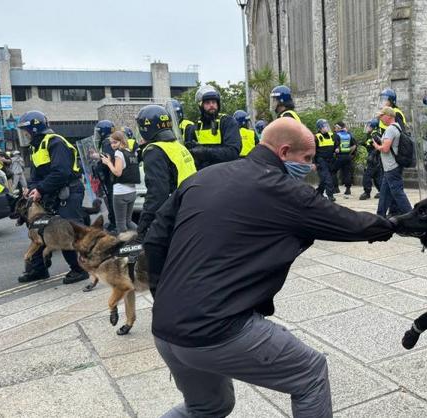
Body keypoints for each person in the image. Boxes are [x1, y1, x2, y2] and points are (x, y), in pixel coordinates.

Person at [143, 117, 394, 418]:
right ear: (284, 152)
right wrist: (398, 224)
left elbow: (155, 242)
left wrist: (167, 299)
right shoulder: (282, 189)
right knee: (310, 374)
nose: (311, 167)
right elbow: (350, 223)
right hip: (214, 329)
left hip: (166, 328)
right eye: (308, 159)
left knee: (208, 406)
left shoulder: (203, 177)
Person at [16, 111, 90, 285]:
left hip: (68, 191)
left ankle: (80, 269)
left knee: (66, 231)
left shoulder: (56, 143)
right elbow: (35, 174)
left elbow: (61, 172)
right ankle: (38, 270)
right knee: (39, 229)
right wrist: (32, 188)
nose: (24, 135)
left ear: (35, 129)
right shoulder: (36, 146)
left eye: (26, 131)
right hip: (51, 192)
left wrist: (40, 189)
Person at [135, 105, 197, 240]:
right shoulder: (179, 147)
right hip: (192, 207)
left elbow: (157, 193)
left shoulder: (154, 151)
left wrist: (143, 227)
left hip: (175, 213)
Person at [184, 85, 241, 170]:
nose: (211, 105)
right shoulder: (195, 126)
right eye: (207, 103)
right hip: (202, 174)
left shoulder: (227, 122)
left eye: (214, 102)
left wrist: (204, 152)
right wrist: (192, 149)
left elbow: (232, 152)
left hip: (225, 172)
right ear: (200, 105)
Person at [375, 106, 412, 217]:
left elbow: (385, 149)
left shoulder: (391, 129)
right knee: (384, 193)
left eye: (382, 116)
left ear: (388, 116)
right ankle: (380, 216)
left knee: (398, 193)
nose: (380, 118)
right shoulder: (398, 127)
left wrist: (376, 146)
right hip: (392, 167)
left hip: (392, 167)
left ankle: (411, 215)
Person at [100, 131, 140, 233]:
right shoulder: (130, 152)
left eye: (115, 142)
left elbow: (117, 172)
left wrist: (108, 163)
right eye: (111, 143)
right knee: (128, 221)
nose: (113, 145)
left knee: (121, 224)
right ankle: (142, 236)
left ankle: (124, 246)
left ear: (121, 141)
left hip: (121, 193)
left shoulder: (119, 153)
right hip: (132, 191)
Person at [93, 120, 117, 232]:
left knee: (111, 200)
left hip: (111, 177)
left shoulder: (107, 142)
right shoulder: (113, 141)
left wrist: (98, 159)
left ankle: (114, 224)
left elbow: (109, 158)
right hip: (114, 177)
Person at [360, 118, 383, 200]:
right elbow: (368, 144)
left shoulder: (375, 135)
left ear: (373, 127)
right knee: (377, 176)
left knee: (367, 176)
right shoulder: (371, 135)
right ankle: (382, 191)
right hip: (375, 160)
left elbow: (378, 146)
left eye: (369, 126)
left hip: (373, 159)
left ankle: (367, 193)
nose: (367, 128)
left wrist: (372, 155)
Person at [313, 119, 336, 201]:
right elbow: (313, 151)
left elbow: (336, 145)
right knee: (327, 178)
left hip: (330, 160)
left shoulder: (331, 135)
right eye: (324, 126)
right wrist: (314, 163)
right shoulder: (316, 137)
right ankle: (330, 196)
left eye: (327, 125)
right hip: (321, 160)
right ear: (320, 128)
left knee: (324, 179)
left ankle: (318, 193)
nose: (326, 127)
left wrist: (337, 149)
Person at [332, 121, 356, 195]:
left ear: (339, 128)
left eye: (336, 127)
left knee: (332, 171)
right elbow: (354, 145)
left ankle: (336, 188)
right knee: (347, 173)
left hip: (339, 156)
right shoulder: (349, 135)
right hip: (348, 156)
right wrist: (350, 153)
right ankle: (348, 189)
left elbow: (333, 146)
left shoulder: (336, 135)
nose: (334, 129)